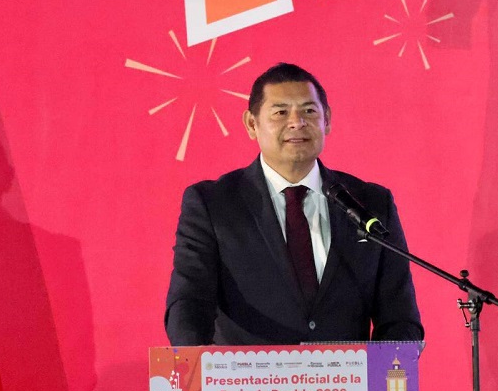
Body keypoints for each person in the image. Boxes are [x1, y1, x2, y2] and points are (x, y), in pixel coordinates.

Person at [165, 62, 423, 346]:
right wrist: (196, 366)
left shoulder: (371, 203)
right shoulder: (213, 205)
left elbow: (400, 318)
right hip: (247, 374)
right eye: (280, 112)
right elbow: (188, 304)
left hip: (349, 375)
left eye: (309, 111)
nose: (297, 122)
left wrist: (386, 367)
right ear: (252, 124)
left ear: (327, 119)